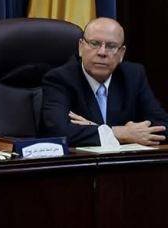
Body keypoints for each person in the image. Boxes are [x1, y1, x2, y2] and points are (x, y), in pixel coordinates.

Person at [41, 16, 168, 147]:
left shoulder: (133, 75)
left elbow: (164, 125)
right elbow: (58, 132)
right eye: (94, 43)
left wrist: (99, 129)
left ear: (121, 53)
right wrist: (120, 133)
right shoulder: (60, 79)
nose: (102, 52)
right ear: (81, 47)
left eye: (111, 46)